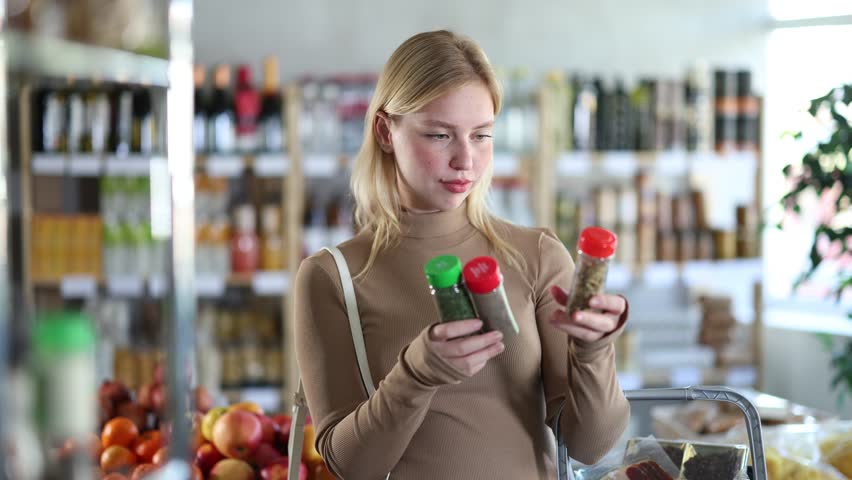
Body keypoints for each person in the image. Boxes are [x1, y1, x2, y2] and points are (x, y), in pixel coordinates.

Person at [294, 30, 630, 479]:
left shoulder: (538, 256)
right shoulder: (332, 276)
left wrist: (594, 351)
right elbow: (350, 464)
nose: (465, 160)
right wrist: (416, 376)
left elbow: (591, 445)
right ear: (384, 131)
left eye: (481, 136)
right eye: (439, 135)